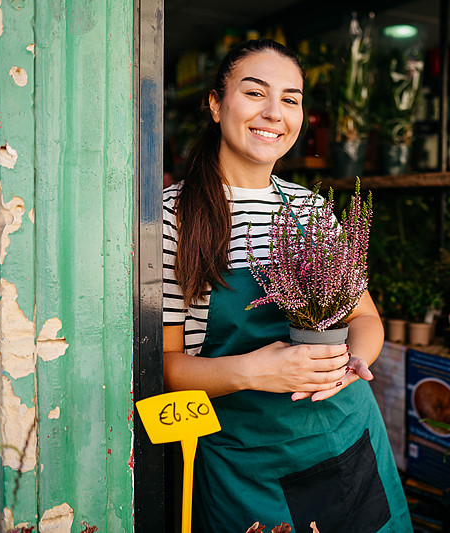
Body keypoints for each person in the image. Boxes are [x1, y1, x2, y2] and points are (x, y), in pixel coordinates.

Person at [162, 39, 412, 533]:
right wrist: (257, 370)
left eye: (291, 99)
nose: (274, 113)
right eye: (255, 93)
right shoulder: (173, 217)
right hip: (249, 461)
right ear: (216, 104)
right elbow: (166, 368)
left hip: (346, 435)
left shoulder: (311, 211)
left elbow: (364, 318)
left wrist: (352, 364)